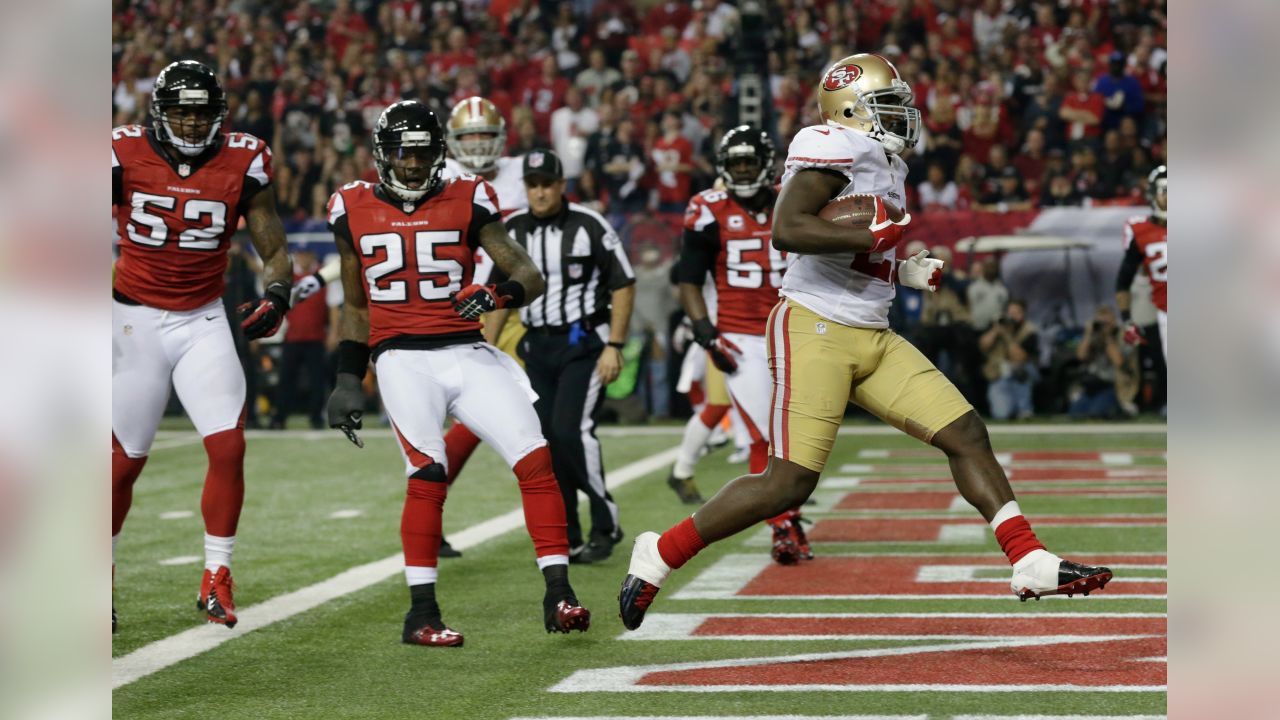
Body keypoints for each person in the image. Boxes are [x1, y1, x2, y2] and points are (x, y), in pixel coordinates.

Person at [619, 54, 1113, 631]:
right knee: (788, 482)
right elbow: (788, 228)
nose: (902, 114)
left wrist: (898, 268)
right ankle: (661, 553)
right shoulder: (834, 145)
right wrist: (875, 232)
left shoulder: (882, 162)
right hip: (815, 327)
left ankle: (1028, 558)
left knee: (966, 432)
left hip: (872, 331)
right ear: (850, 110)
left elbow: (856, 246)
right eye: (888, 104)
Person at [324, 102, 590, 646]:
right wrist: (349, 375)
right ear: (383, 154)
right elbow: (355, 305)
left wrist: (496, 294)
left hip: (467, 351)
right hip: (402, 357)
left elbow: (527, 274)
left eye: (423, 151)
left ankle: (559, 592)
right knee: (427, 474)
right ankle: (421, 613)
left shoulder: (468, 197)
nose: (415, 163)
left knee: (535, 458)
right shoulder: (350, 206)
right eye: (404, 151)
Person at [112, 61, 293, 631]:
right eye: (181, 112)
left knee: (229, 447)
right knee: (122, 465)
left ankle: (217, 574)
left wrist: (279, 291)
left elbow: (274, 243)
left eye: (201, 112)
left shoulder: (244, 158)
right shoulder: (119, 153)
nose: (192, 123)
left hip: (202, 319)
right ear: (159, 114)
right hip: (131, 322)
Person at [666, 126, 811, 565]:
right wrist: (705, 331)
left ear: (767, 164)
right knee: (767, 435)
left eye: (750, 162)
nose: (743, 171)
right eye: (736, 164)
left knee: (800, 434)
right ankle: (782, 525)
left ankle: (789, 515)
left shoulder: (794, 195)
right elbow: (688, 278)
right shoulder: (709, 209)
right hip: (741, 337)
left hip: (795, 329)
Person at [488, 149, 637, 564]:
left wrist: (616, 345)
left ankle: (605, 523)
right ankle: (569, 532)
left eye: (546, 184)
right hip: (537, 346)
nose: (539, 192)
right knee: (548, 442)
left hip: (584, 343)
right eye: (532, 184)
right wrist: (483, 349)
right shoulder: (511, 230)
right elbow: (498, 295)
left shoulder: (590, 225)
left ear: (560, 186)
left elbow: (623, 283)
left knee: (573, 431)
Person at [271, 250, 332, 430]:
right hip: (292, 336)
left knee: (317, 381)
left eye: (307, 254)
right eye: (301, 255)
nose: (304, 258)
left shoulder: (323, 274)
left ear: (313, 256)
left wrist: (334, 332)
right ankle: (279, 417)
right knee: (285, 380)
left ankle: (316, 418)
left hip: (317, 336)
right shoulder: (288, 276)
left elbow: (333, 306)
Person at [1115, 165, 1167, 357]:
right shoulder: (1141, 231)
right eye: (1165, 191)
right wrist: (1127, 319)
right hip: (1163, 313)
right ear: (1153, 195)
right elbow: (1123, 280)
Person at [980, 299, 1040, 420]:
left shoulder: (1029, 330)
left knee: (1022, 372)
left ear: (1023, 314)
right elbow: (982, 345)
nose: (1012, 317)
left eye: (1016, 313)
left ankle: (1024, 409)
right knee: (1002, 414)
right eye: (1010, 313)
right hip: (1000, 374)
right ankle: (1012, 408)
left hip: (1021, 373)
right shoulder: (999, 325)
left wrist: (1007, 336)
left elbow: (1020, 358)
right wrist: (996, 330)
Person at [1070, 306, 1127, 418]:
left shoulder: (1122, 335)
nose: (1104, 326)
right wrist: (1088, 334)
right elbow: (1080, 356)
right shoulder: (1094, 336)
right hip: (1092, 386)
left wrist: (1107, 337)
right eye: (1101, 322)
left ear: (1114, 321)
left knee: (1096, 413)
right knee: (1075, 414)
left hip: (1113, 386)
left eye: (1107, 322)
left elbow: (1119, 361)